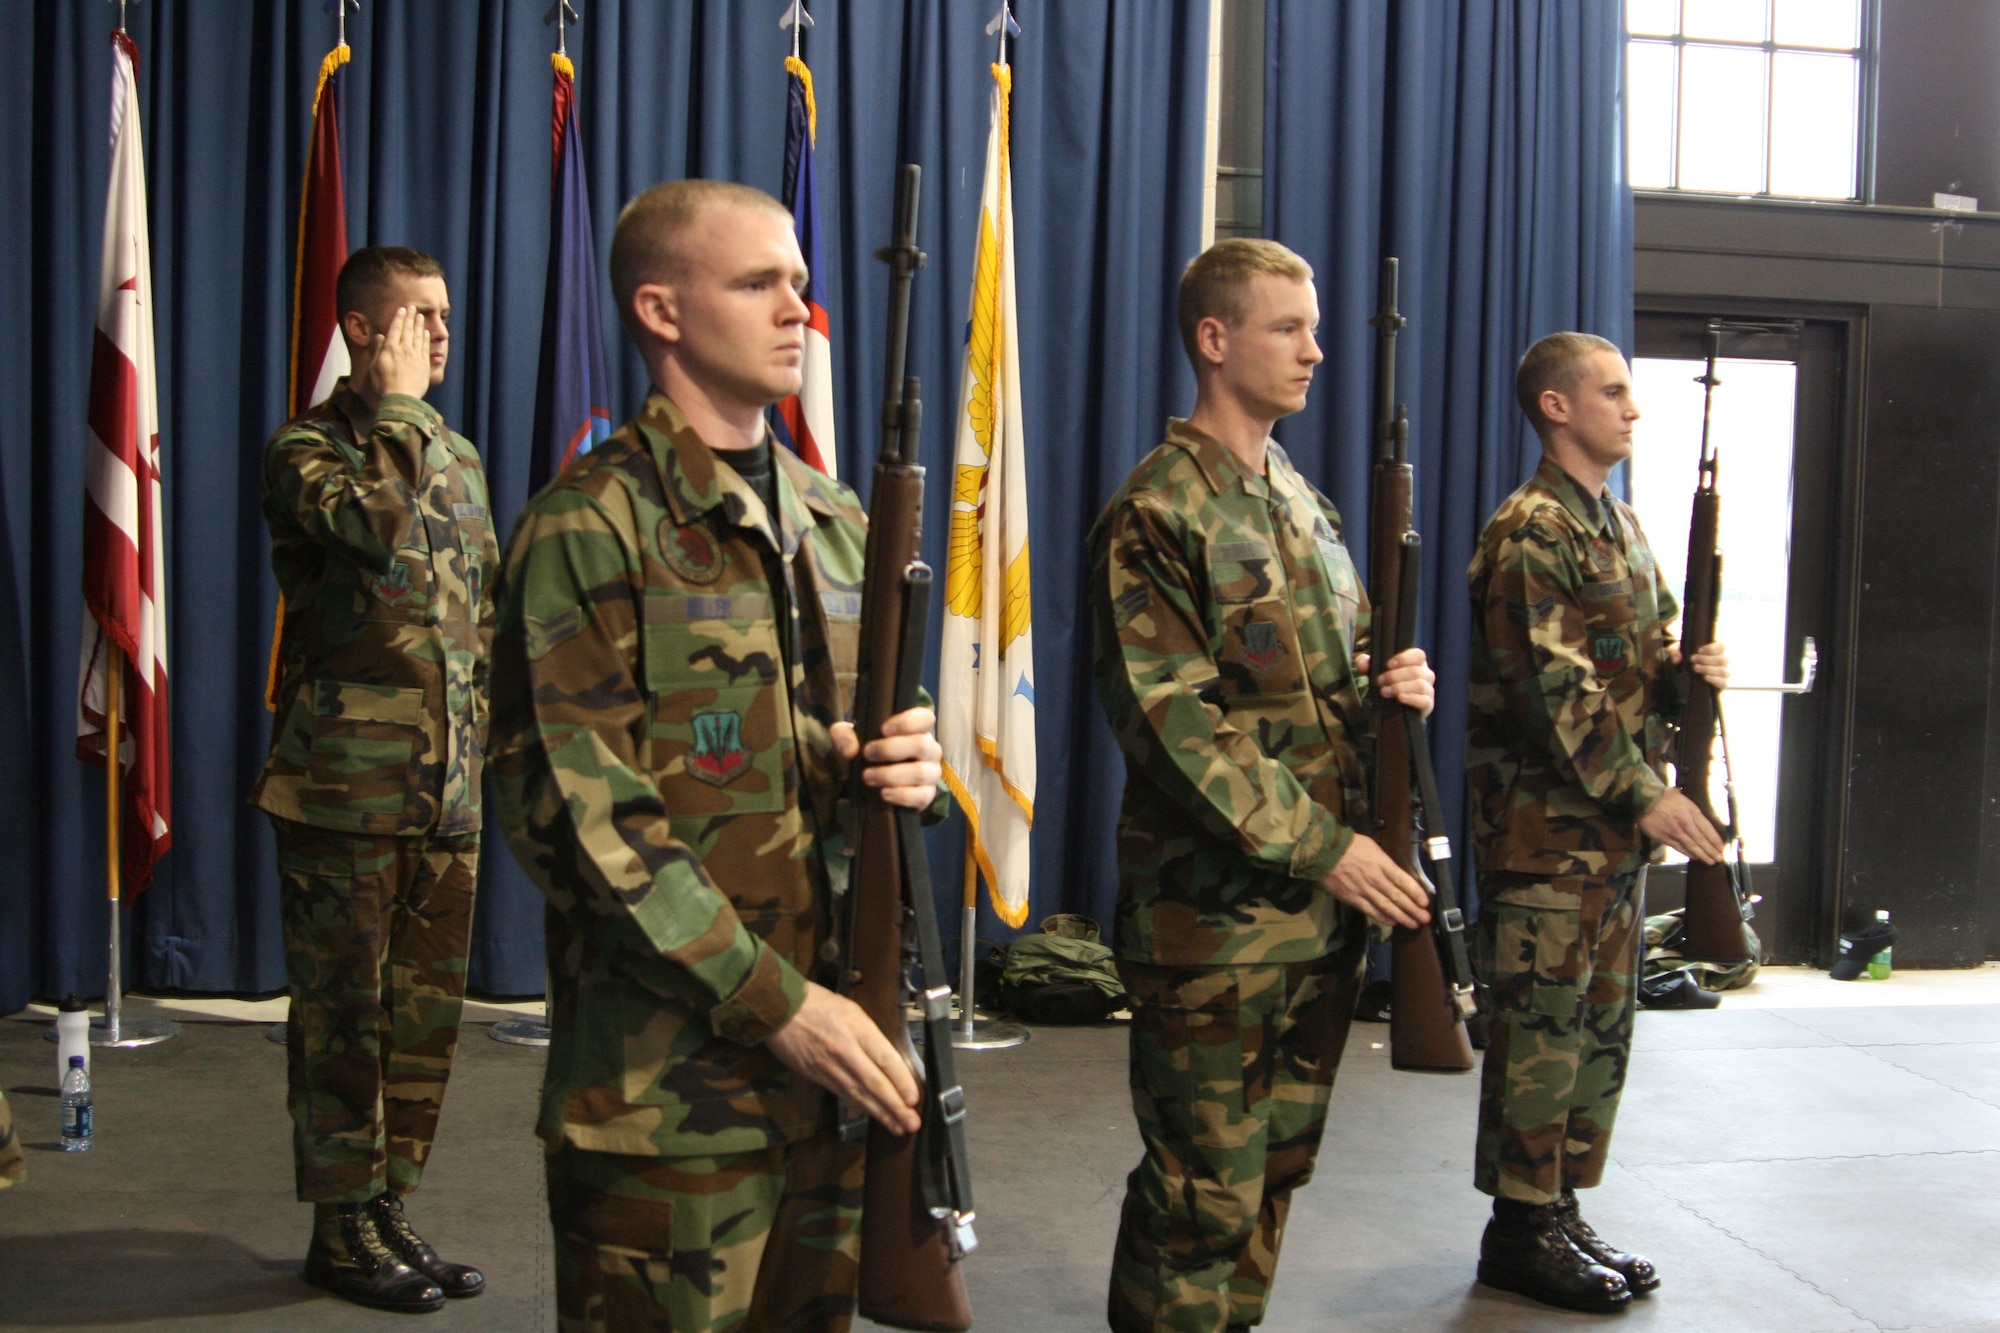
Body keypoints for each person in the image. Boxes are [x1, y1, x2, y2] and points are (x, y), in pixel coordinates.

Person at [488, 178, 942, 1333]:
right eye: (758, 283)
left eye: (799, 281)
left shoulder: (837, 521)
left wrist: (903, 772)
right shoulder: (590, 527)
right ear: (661, 309)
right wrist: (777, 1003)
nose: (799, 308)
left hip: (832, 1066)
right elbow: (586, 825)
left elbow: (841, 753)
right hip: (665, 1102)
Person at [1087, 238, 1437, 1333]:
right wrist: (1328, 848)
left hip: (1318, 917)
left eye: (1313, 327)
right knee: (1201, 1193)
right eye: (1287, 327)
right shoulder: (1157, 510)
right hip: (1212, 924)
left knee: (1275, 1171)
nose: (1314, 351)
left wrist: (1400, 681)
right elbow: (1170, 722)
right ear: (1213, 338)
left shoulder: (1303, 504)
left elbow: (1336, 686)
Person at [1465, 331, 1730, 1313]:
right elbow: (1552, 695)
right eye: (1611, 392)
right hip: (1544, 834)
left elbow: (1636, 655)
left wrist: (1684, 669)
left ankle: (1558, 1201)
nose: (1631, 408)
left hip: (1607, 837)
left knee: (1597, 1026)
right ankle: (1516, 1227)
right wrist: (1646, 794)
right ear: (1554, 407)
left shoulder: (1613, 523)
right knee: (1538, 1026)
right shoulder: (1531, 529)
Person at [252, 246, 494, 1314]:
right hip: (343, 789)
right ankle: (337, 1224)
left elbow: (478, 624)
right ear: (362, 329)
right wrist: (399, 411)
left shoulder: (455, 453)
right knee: (344, 1016)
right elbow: (371, 526)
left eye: (445, 316)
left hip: (445, 794)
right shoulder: (309, 448)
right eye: (418, 316)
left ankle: (389, 1202)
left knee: (421, 1017)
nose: (439, 333)